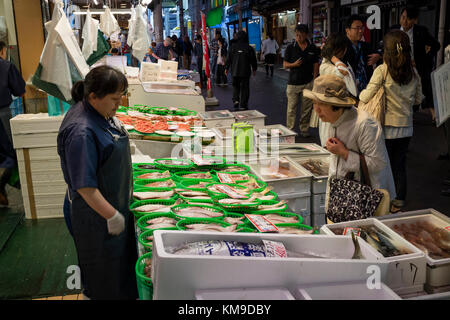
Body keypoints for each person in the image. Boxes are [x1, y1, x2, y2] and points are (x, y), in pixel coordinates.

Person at [57, 66, 138, 300]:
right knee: (102, 281)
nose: (119, 104)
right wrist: (111, 215)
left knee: (116, 276)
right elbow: (85, 186)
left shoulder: (96, 112)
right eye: (114, 99)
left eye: (121, 97)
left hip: (110, 204)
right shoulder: (81, 131)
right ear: (93, 96)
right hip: (94, 216)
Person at [303, 74, 396, 214]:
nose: (316, 109)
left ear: (337, 106)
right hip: (341, 194)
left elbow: (379, 163)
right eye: (314, 103)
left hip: (367, 199)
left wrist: (344, 153)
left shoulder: (365, 124)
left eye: (321, 103)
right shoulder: (329, 119)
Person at [359, 30, 423, 213]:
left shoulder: (382, 70)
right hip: (406, 128)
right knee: (399, 164)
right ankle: (399, 200)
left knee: (382, 166)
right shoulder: (414, 72)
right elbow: (419, 100)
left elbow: (366, 95)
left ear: (386, 52)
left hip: (385, 128)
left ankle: (383, 201)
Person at [391, 6, 441, 120]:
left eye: (408, 19)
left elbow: (436, 45)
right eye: (403, 17)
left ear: (415, 20)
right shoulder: (394, 30)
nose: (404, 21)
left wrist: (423, 59)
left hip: (416, 67)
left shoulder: (421, 31)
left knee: (424, 89)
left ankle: (431, 112)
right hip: (398, 67)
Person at [311, 33, 357, 146]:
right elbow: (343, 72)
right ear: (341, 49)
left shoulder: (330, 64)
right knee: (331, 142)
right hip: (331, 109)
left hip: (338, 109)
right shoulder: (327, 67)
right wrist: (332, 56)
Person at [283, 24, 320, 138]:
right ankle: (290, 130)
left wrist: (314, 79)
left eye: (301, 35)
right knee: (291, 109)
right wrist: (294, 64)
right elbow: (285, 65)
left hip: (308, 82)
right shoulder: (290, 47)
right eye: (297, 34)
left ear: (306, 35)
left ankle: (304, 129)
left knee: (306, 109)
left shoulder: (312, 48)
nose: (298, 37)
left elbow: (315, 64)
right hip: (293, 83)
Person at [0, 41, 25, 205]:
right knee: (10, 152)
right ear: (2, 51)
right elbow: (20, 90)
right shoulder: (6, 66)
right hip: (1, 115)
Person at [343, 15, 382, 95]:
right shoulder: (342, 47)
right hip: (348, 91)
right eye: (357, 28)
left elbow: (380, 53)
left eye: (362, 28)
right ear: (347, 30)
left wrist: (378, 56)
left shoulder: (366, 46)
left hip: (365, 91)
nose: (360, 31)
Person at [225, 30, 257, 111]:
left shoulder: (232, 47)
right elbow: (253, 60)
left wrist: (226, 68)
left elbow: (228, 59)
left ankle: (236, 100)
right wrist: (254, 69)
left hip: (235, 71)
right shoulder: (249, 48)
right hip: (245, 71)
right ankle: (243, 104)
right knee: (245, 88)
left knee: (235, 86)